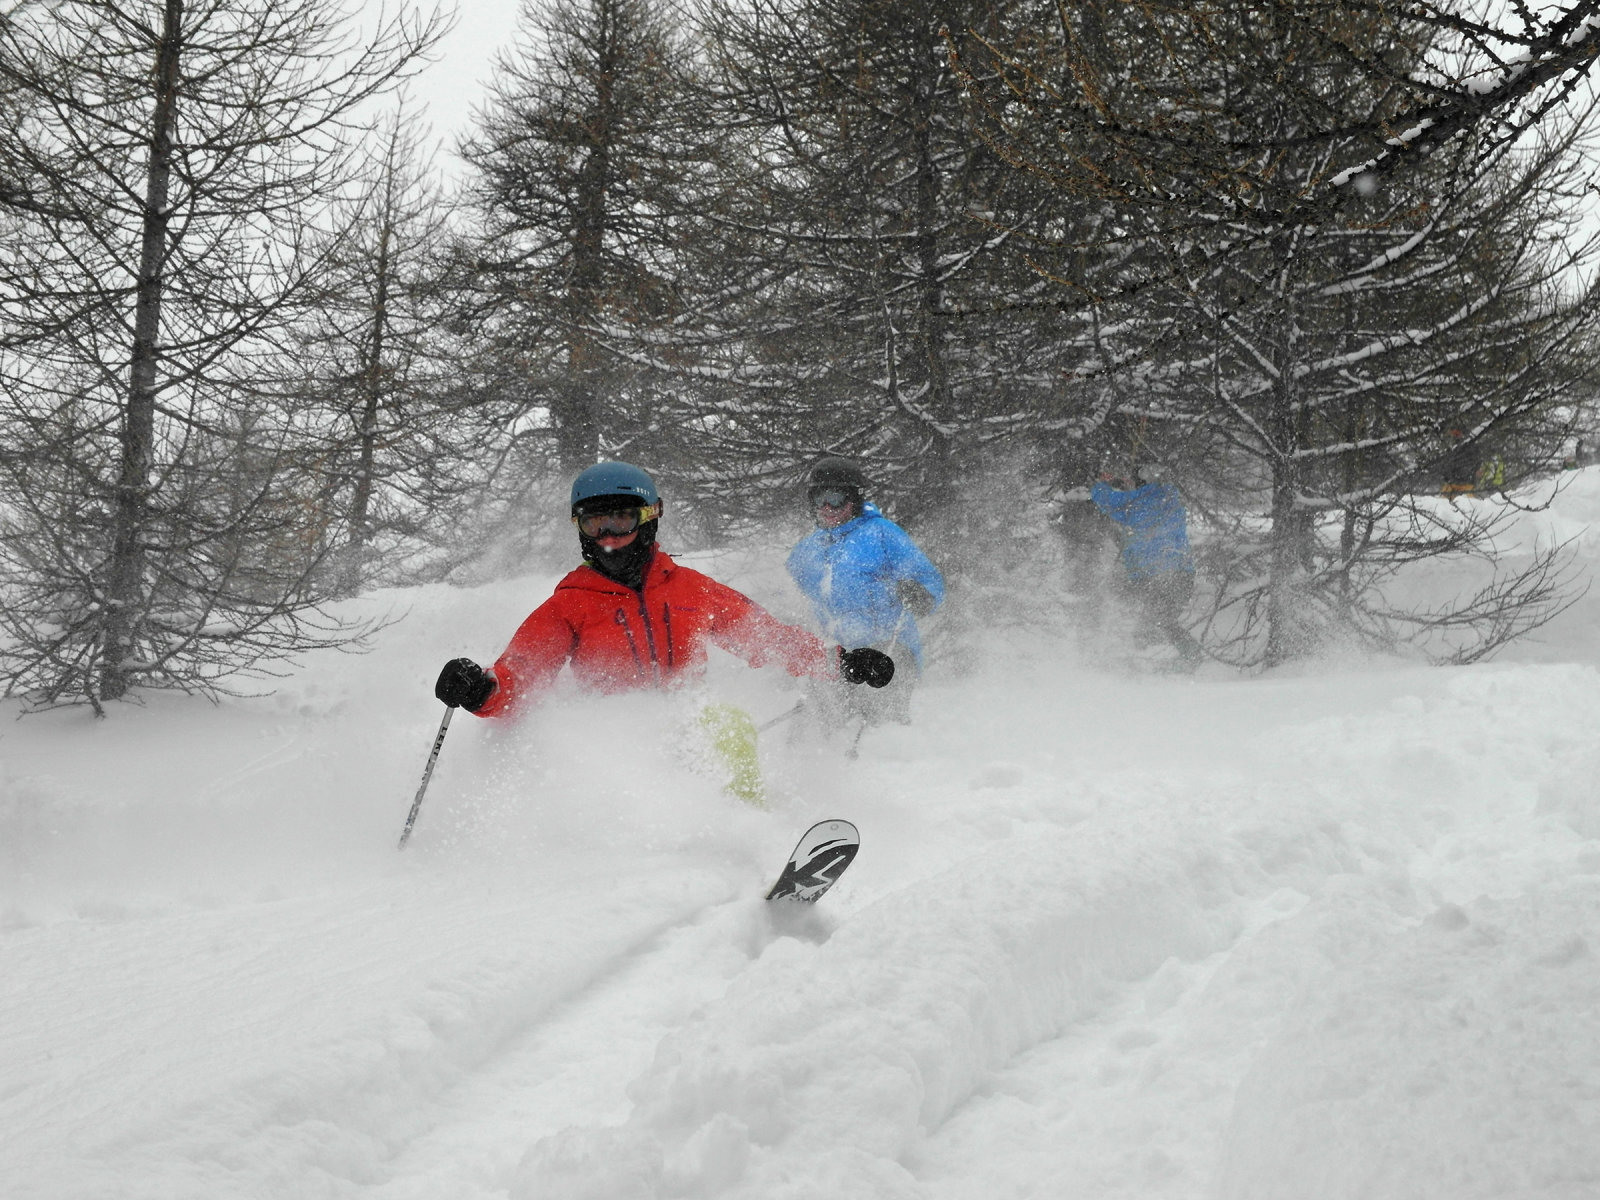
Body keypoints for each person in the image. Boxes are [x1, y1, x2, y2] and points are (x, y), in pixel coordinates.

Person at [434, 461, 894, 800]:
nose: (609, 537)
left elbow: (763, 636)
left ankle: (748, 830)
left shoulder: (690, 589)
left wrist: (841, 662)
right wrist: (480, 690)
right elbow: (521, 674)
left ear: (649, 517)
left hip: (684, 719)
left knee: (729, 728)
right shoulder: (568, 605)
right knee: (689, 749)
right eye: (596, 524)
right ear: (580, 529)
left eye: (622, 520)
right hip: (611, 735)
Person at [786, 456, 944, 726]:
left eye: (835, 498)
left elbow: (928, 579)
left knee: (877, 725)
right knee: (821, 724)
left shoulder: (881, 534)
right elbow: (793, 590)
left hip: (887, 646)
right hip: (838, 653)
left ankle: (893, 757)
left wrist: (920, 594)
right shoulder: (808, 549)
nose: (827, 507)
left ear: (854, 498)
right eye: (819, 499)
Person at [1090, 464, 1204, 669]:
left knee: (1139, 612)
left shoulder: (1139, 503)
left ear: (1141, 483)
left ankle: (1150, 658)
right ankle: (1179, 656)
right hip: (1182, 572)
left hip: (1156, 573)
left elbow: (1109, 502)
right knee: (1161, 618)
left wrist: (1102, 483)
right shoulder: (1170, 499)